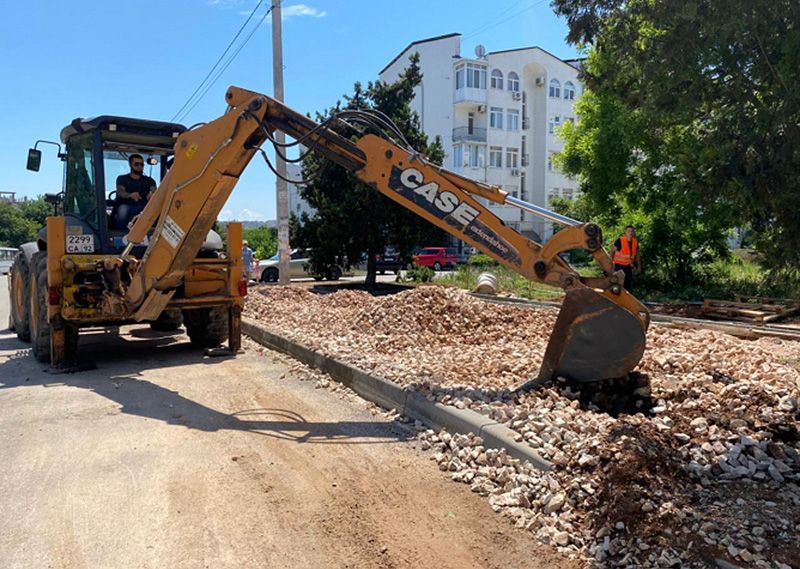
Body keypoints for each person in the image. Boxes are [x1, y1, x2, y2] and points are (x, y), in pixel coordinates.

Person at [113, 154, 157, 229]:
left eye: (142, 164)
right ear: (130, 165)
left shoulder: (149, 180)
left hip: (145, 207)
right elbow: (120, 192)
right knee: (123, 209)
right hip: (128, 206)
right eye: (136, 164)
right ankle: (120, 233)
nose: (140, 166)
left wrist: (153, 194)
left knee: (158, 210)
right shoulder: (122, 179)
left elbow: (154, 190)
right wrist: (130, 195)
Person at [610, 225, 641, 291]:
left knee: (628, 285)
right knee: (619, 284)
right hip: (619, 266)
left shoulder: (635, 242)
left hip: (628, 267)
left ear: (634, 232)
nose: (630, 233)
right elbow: (612, 252)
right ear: (625, 232)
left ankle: (626, 299)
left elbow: (637, 255)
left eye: (632, 231)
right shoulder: (620, 240)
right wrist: (610, 264)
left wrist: (639, 266)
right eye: (629, 231)